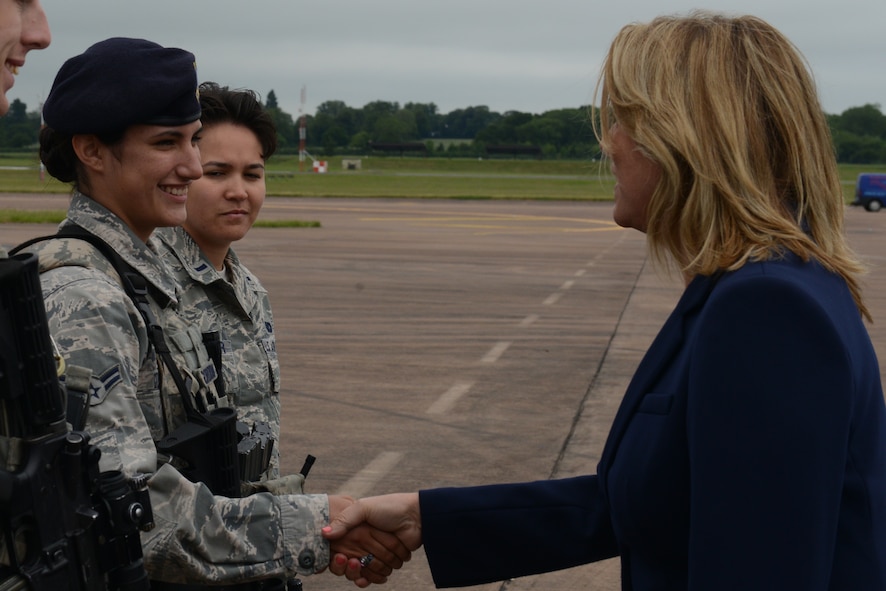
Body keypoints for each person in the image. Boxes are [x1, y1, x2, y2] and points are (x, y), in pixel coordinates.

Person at [323, 11, 886, 590]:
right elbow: (654, 502)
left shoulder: (765, 309)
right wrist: (424, 517)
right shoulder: (761, 283)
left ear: (685, 138)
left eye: (623, 119)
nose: (608, 143)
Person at [19, 37, 409, 589]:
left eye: (192, 141)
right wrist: (323, 525)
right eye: (166, 143)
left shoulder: (136, 278)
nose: (192, 165)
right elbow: (136, 518)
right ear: (92, 151)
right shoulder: (86, 296)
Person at [154, 82, 284, 485]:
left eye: (253, 174)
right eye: (217, 173)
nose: (238, 191)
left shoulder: (249, 291)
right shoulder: (148, 286)